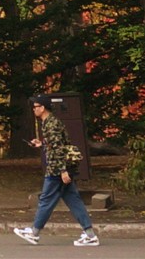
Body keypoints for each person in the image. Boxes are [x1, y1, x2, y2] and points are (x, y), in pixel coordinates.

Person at [14, 96, 98, 247]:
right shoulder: (50, 122)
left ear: (43, 107)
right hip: (61, 168)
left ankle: (34, 233)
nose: (34, 109)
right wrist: (42, 144)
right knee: (74, 200)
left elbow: (58, 149)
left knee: (46, 199)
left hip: (57, 170)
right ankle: (90, 234)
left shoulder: (51, 124)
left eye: (36, 106)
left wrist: (62, 170)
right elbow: (55, 145)